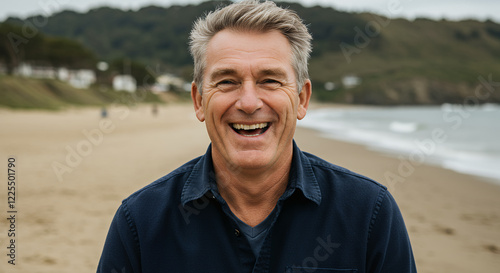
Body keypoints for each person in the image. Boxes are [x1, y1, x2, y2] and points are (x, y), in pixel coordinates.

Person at [97, 1, 417, 272]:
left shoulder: (369, 214)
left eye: (270, 80)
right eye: (227, 81)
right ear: (198, 101)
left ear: (302, 99)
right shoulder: (140, 222)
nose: (249, 103)